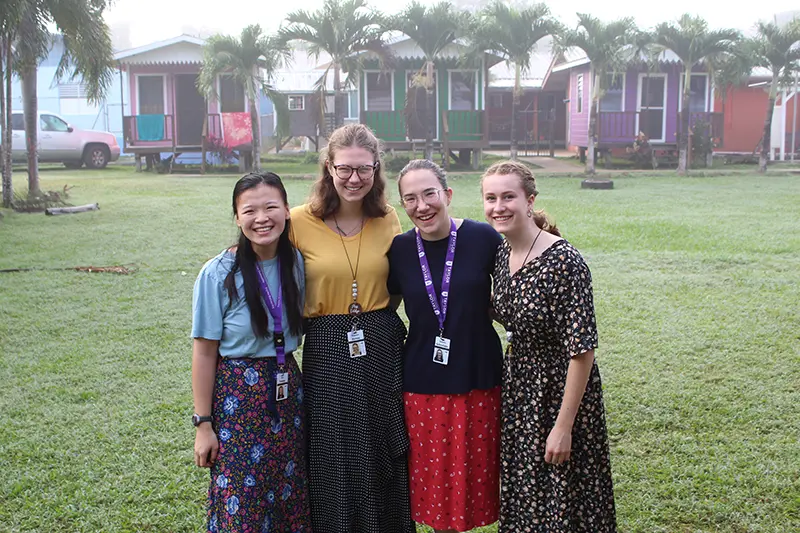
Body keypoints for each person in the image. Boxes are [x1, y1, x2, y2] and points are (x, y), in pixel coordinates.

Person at [290, 123, 414, 533]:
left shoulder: (388, 218)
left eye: (365, 169)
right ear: (328, 167)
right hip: (326, 345)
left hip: (380, 340)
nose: (355, 179)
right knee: (335, 448)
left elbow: (398, 283)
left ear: (377, 169)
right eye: (345, 169)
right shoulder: (298, 222)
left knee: (384, 443)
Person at [481, 160, 616, 532]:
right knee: (527, 493)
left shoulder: (564, 262)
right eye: (491, 198)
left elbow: (582, 350)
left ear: (530, 200)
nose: (499, 206)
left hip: (561, 393)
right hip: (521, 389)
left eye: (509, 196)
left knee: (565, 497)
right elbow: (516, 314)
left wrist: (563, 426)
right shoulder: (502, 255)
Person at [191, 172, 312, 533]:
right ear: (237, 217)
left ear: (288, 211)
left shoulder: (296, 263)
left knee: (289, 491)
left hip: (287, 389)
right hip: (237, 398)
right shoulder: (218, 273)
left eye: (271, 207)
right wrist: (204, 424)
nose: (262, 218)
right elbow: (203, 352)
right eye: (250, 210)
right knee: (242, 499)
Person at [388, 159, 504, 533]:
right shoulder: (400, 250)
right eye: (410, 199)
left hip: (479, 376)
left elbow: (510, 292)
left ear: (447, 195)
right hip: (423, 384)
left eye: (429, 194)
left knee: (474, 476)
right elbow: (386, 305)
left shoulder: (484, 238)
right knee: (435, 482)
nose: (422, 206)